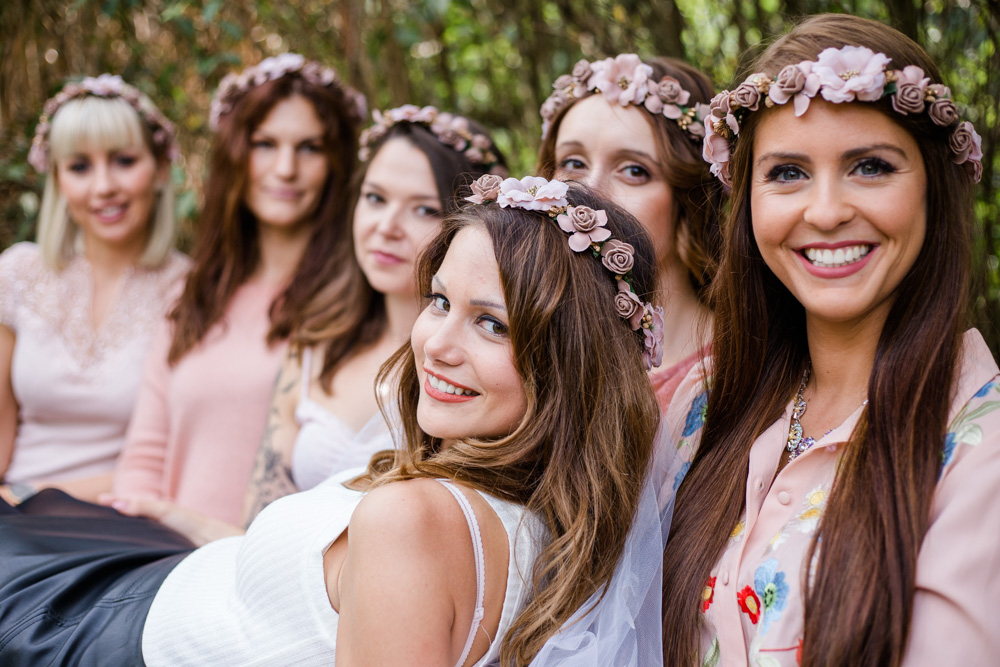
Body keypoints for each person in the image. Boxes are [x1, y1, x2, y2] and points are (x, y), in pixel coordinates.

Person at [0, 175, 662, 667]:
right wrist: (186, 520)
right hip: (147, 569)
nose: (436, 342)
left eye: (491, 322)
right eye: (439, 301)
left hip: (96, 635)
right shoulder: (547, 517)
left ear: (572, 361)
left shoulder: (411, 523)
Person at [661, 14, 997, 666]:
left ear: (934, 186)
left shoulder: (980, 450)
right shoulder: (703, 407)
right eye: (787, 172)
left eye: (870, 166)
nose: (825, 210)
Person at [111, 54, 365, 524]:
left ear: (336, 163)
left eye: (310, 147)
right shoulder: (191, 294)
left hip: (270, 574)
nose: (285, 168)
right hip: (161, 564)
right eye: (264, 144)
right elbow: (144, 458)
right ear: (235, 155)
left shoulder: (355, 306)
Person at [241, 104, 508, 523]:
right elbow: (256, 516)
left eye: (423, 209)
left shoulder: (476, 372)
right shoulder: (315, 343)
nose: (386, 226)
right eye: (375, 198)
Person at [0, 75, 188, 504]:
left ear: (160, 168)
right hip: (11, 516)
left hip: (123, 518)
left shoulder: (189, 290)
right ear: (58, 181)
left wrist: (32, 495)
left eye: (123, 160)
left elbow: (179, 459)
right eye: (80, 167)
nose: (104, 186)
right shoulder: (16, 274)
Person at [537, 53, 724, 408]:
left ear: (690, 204)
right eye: (573, 164)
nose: (589, 192)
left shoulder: (744, 378)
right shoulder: (529, 347)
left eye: (634, 171)